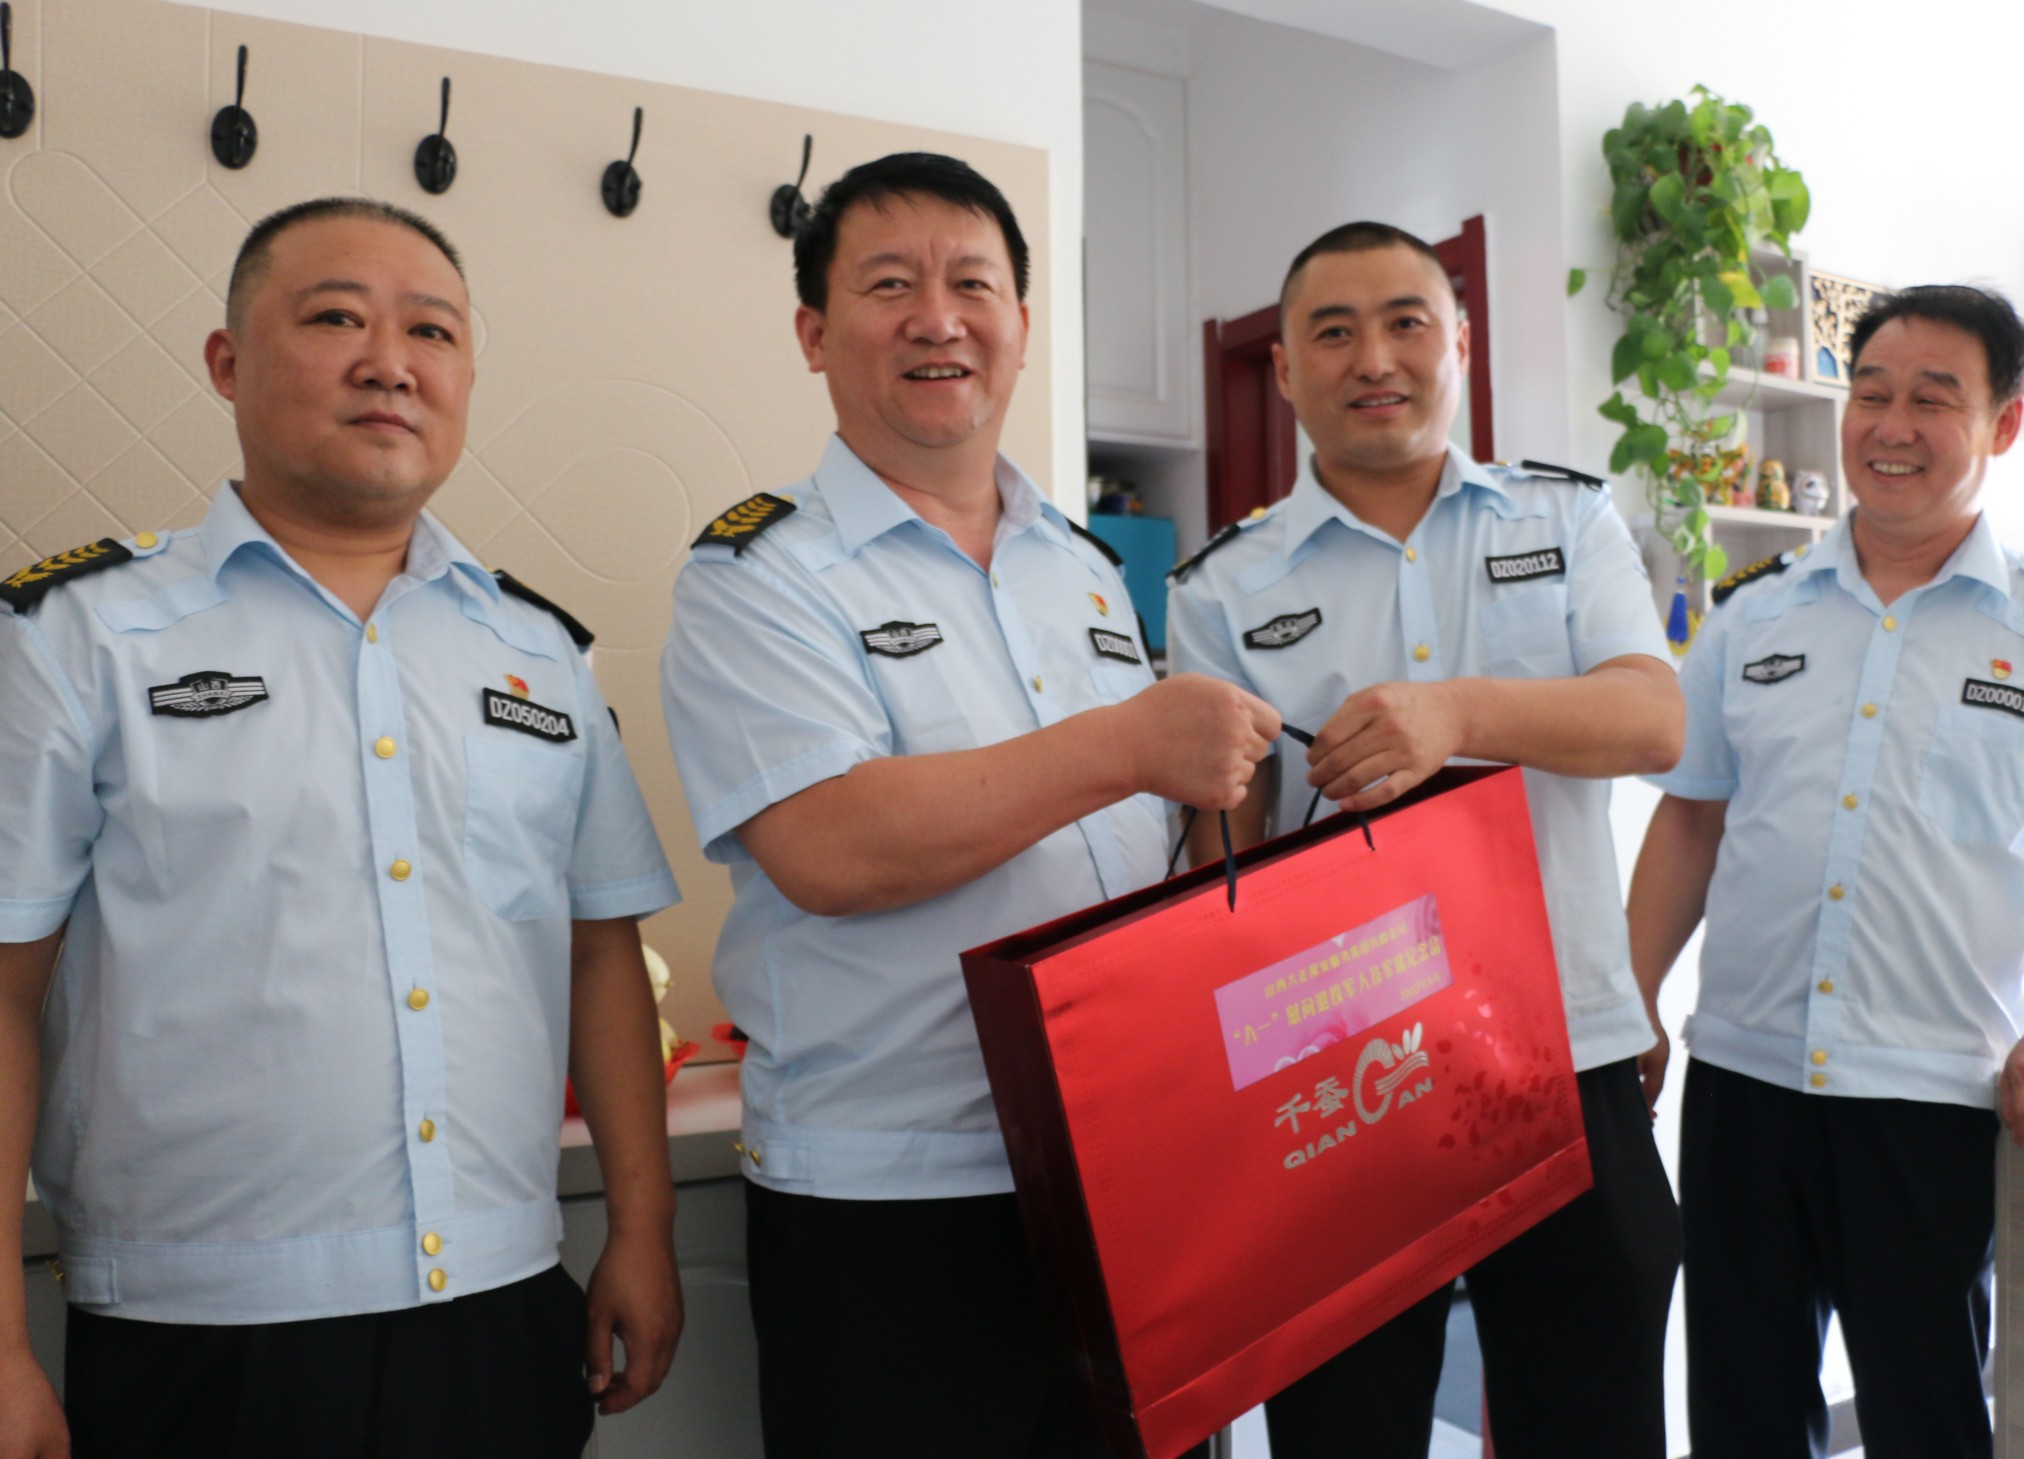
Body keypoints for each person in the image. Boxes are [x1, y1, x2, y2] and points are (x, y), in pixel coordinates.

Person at [0, 198, 685, 1459]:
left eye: (431, 330)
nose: (389, 362)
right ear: (227, 362)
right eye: (334, 319)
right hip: (202, 1328)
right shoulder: (77, 638)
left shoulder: (537, 651)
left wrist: (642, 1233)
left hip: (496, 1304)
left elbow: (597, 950)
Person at [659, 152, 1277, 1459]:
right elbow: (829, 842)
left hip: (1121, 1168)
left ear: (1022, 326)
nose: (937, 317)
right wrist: (1128, 742)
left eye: (972, 285)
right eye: (890, 285)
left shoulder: (1085, 567)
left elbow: (1144, 847)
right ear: (814, 334)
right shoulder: (757, 574)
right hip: (890, 1205)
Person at [1628, 284, 2024, 1459]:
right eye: (1868, 393)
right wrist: (1632, 994)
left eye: (1932, 399)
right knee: (1736, 1412)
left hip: (1928, 1098)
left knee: (1924, 1415)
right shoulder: (1751, 617)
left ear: (2001, 424)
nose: (1890, 425)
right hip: (1741, 1079)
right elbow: (1690, 820)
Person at [1165, 221, 1686, 1459]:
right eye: (1331, 331)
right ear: (1282, 369)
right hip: (1336, 1083)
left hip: (1561, 1056)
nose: (1372, 358)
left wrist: (1455, 713)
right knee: (1344, 1429)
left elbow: (1650, 719)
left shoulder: (1567, 519)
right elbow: (1216, 857)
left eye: (1405, 322)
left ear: (1458, 341)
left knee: (1591, 1423)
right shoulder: (1219, 588)